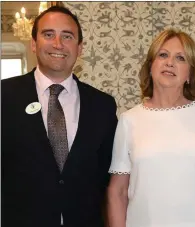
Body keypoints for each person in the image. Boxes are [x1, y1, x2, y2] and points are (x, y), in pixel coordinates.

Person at [1, 6, 118, 227]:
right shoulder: (4, 97)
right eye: (48, 34)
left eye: (67, 36)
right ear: (34, 44)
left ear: (79, 48)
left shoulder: (102, 105)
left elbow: (107, 178)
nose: (58, 44)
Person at [107, 28, 195, 227]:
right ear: (151, 66)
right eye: (163, 55)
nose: (170, 62)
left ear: (189, 74)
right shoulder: (128, 120)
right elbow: (118, 191)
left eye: (180, 58)